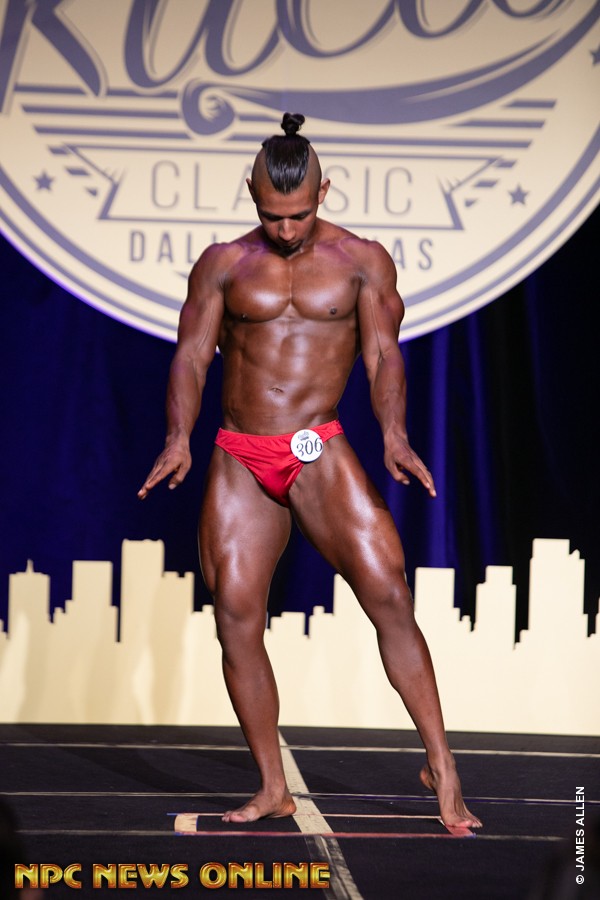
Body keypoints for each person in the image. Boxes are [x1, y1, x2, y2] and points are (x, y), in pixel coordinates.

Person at [139, 113, 481, 830]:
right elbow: (192, 356)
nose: (287, 229)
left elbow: (382, 354)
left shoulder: (361, 261)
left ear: (323, 192)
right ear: (251, 193)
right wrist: (178, 436)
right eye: (272, 215)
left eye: (298, 214)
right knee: (236, 615)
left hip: (315, 448)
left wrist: (393, 435)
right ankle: (273, 786)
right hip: (241, 452)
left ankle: (442, 764)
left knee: (388, 591)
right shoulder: (223, 264)